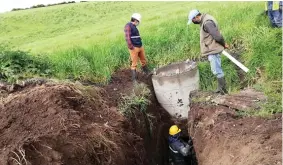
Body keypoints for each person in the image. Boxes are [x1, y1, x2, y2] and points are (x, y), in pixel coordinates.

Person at [187, 9, 229, 95]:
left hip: (213, 50)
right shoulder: (206, 20)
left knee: (217, 70)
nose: (193, 22)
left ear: (196, 17)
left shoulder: (207, 23)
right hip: (212, 49)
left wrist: (224, 44)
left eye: (193, 20)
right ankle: (221, 89)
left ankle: (223, 91)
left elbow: (217, 36)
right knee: (216, 69)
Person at [124, 13, 150, 83]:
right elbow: (127, 38)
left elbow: (134, 36)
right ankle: (134, 80)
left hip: (140, 46)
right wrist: (131, 47)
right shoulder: (128, 26)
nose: (138, 22)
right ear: (135, 20)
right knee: (134, 63)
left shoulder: (134, 26)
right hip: (134, 47)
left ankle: (147, 72)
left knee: (143, 60)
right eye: (138, 21)